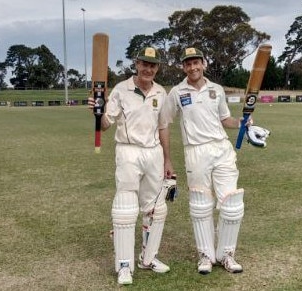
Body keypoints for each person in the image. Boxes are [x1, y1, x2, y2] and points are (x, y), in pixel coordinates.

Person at [87, 47, 174, 285]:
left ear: (157, 68)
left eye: (153, 65)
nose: (148, 69)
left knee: (156, 208)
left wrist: (167, 159)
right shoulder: (121, 90)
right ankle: (124, 265)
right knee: (125, 209)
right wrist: (97, 112)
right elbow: (105, 124)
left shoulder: (160, 92)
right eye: (144, 64)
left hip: (154, 153)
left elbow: (163, 126)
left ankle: (148, 258)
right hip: (128, 152)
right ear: (136, 64)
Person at [166, 47, 250, 275]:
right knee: (201, 205)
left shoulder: (217, 89)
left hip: (222, 148)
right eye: (188, 64)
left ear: (204, 63)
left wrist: (242, 122)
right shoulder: (176, 92)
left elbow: (225, 120)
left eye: (196, 62)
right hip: (196, 151)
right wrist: (165, 159)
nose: (192, 67)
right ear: (183, 67)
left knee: (231, 203)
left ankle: (227, 254)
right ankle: (205, 254)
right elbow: (164, 122)